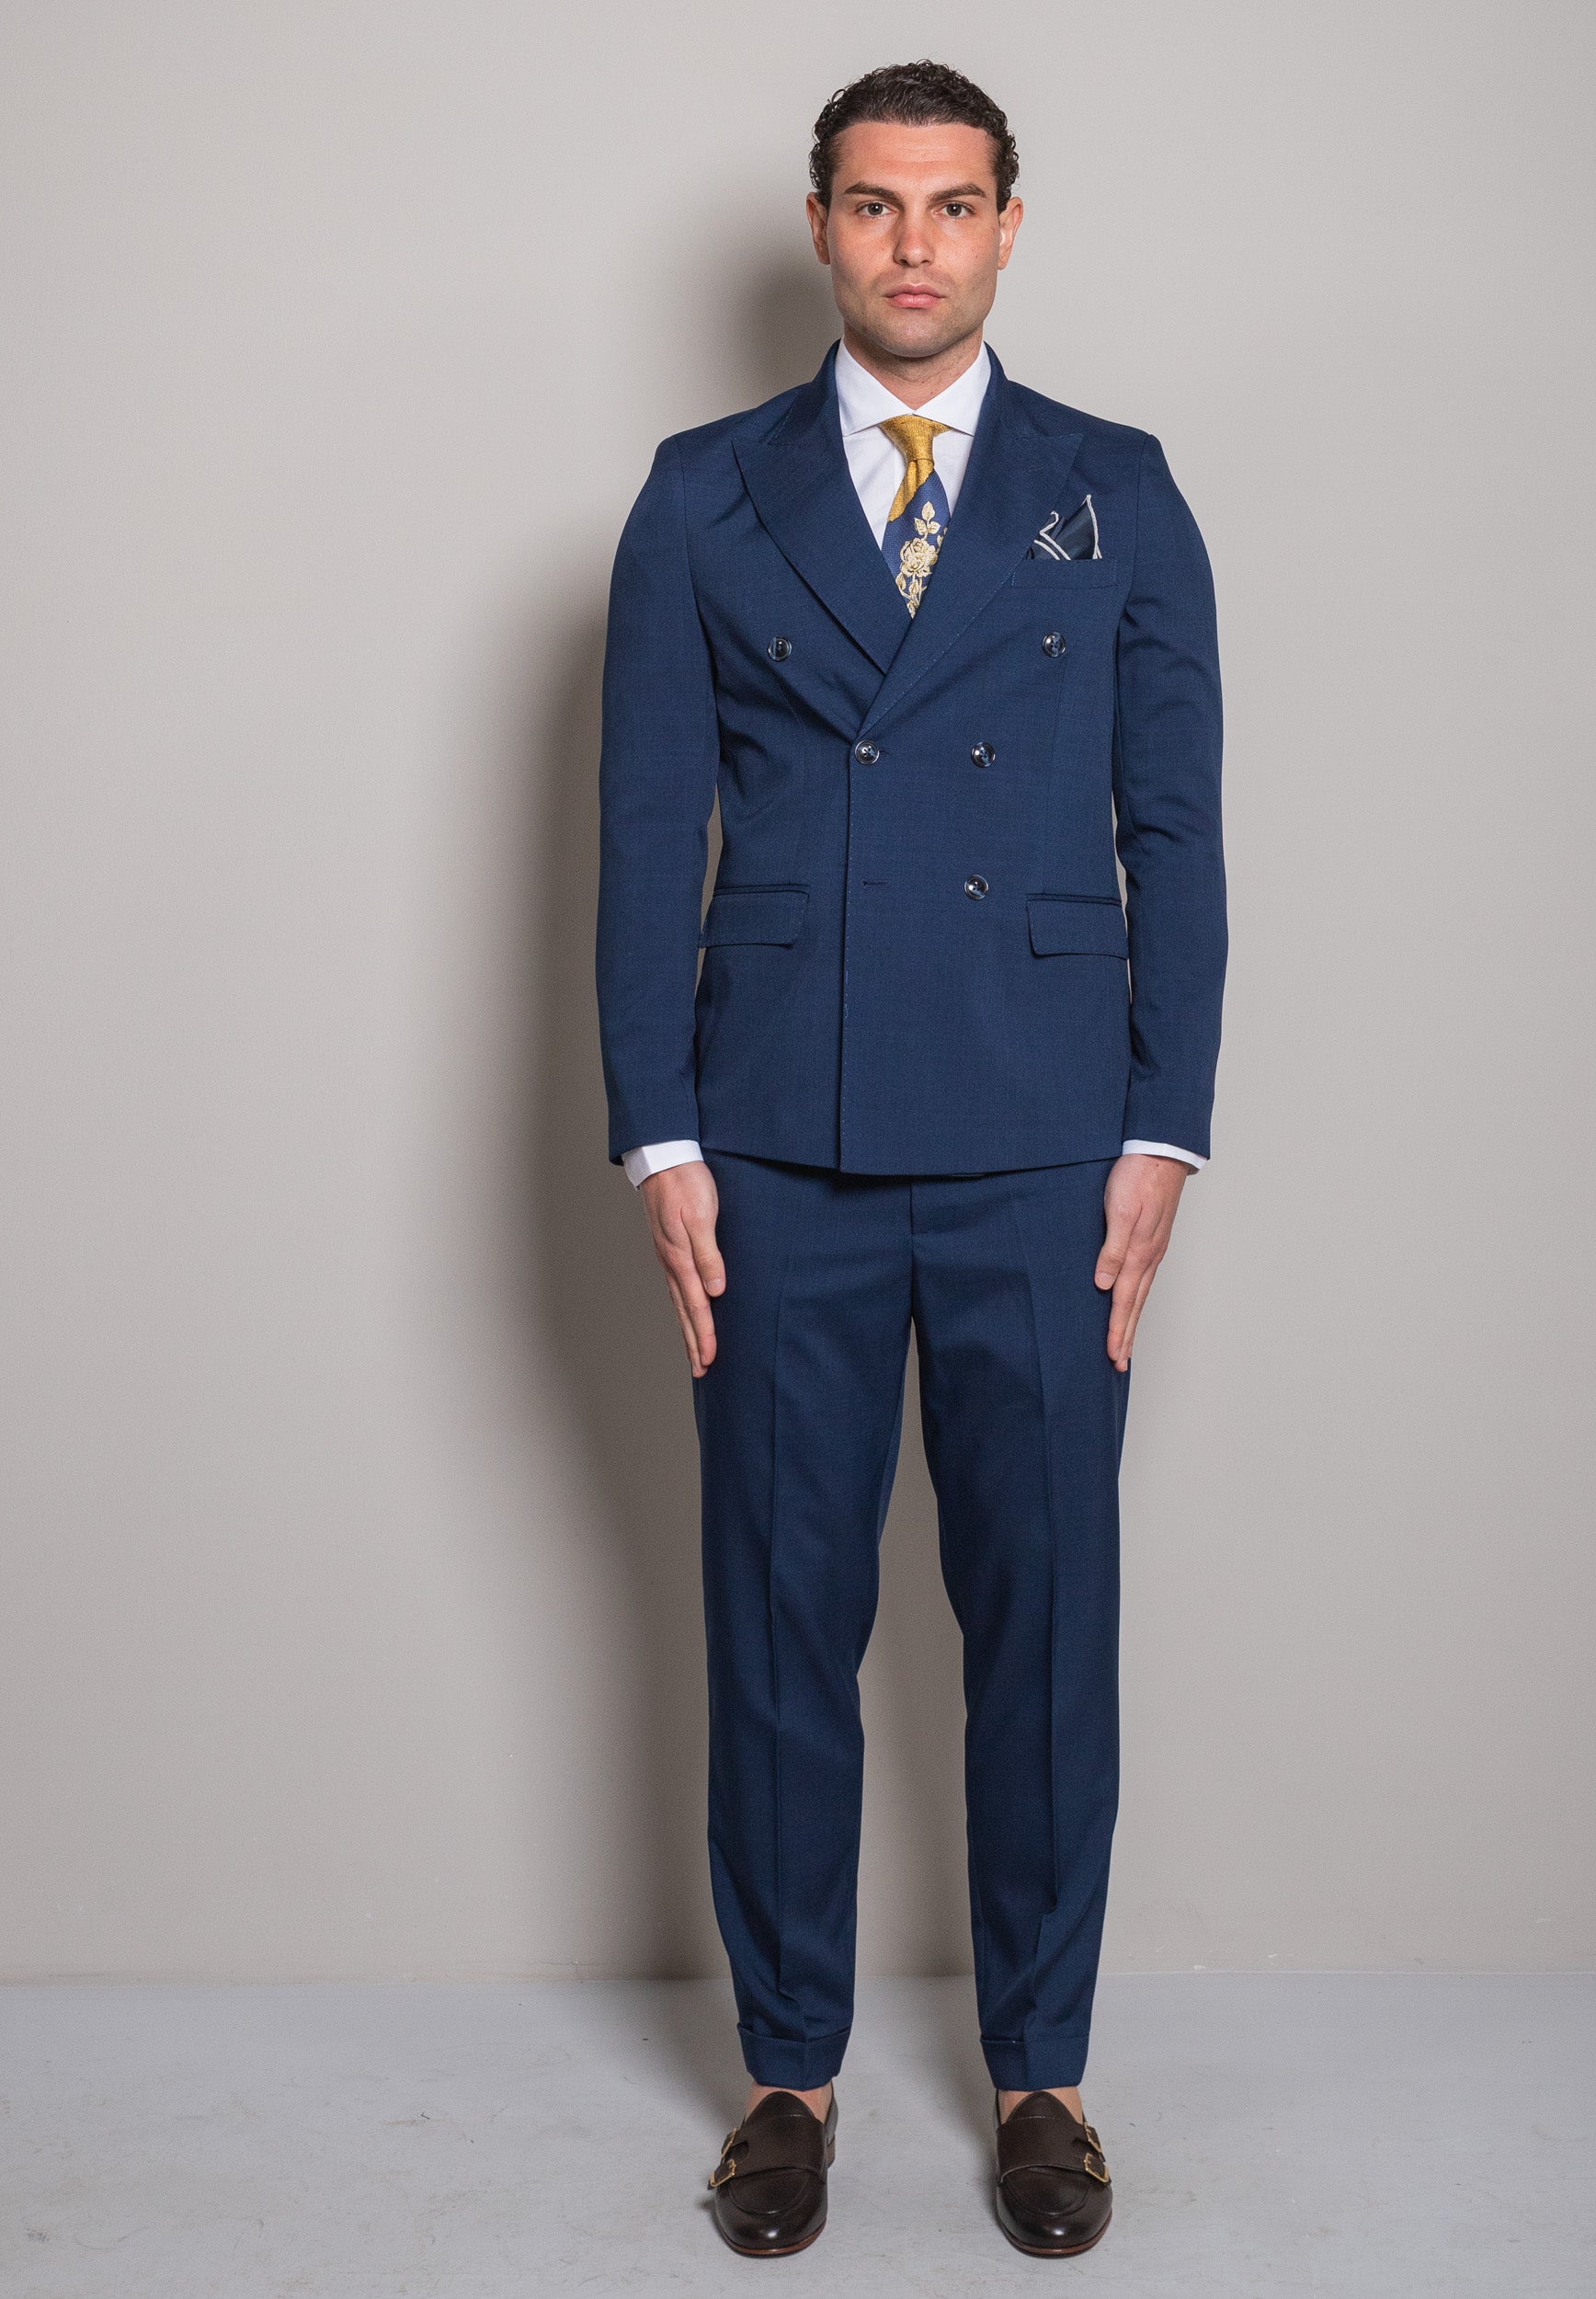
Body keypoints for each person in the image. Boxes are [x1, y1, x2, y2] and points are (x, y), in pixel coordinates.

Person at [595, 58, 1226, 2259]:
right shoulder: (702, 491)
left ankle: (1043, 2077)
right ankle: (788, 2077)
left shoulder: (1113, 488)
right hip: (777, 1139)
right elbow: (643, 835)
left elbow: (1177, 831)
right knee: (779, 1616)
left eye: (953, 204)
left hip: (1048, 1143)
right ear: (820, 225)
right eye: (875, 204)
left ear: (1008, 227)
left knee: (1046, 1623)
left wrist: (1163, 1122)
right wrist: (657, 1130)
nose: (914, 244)